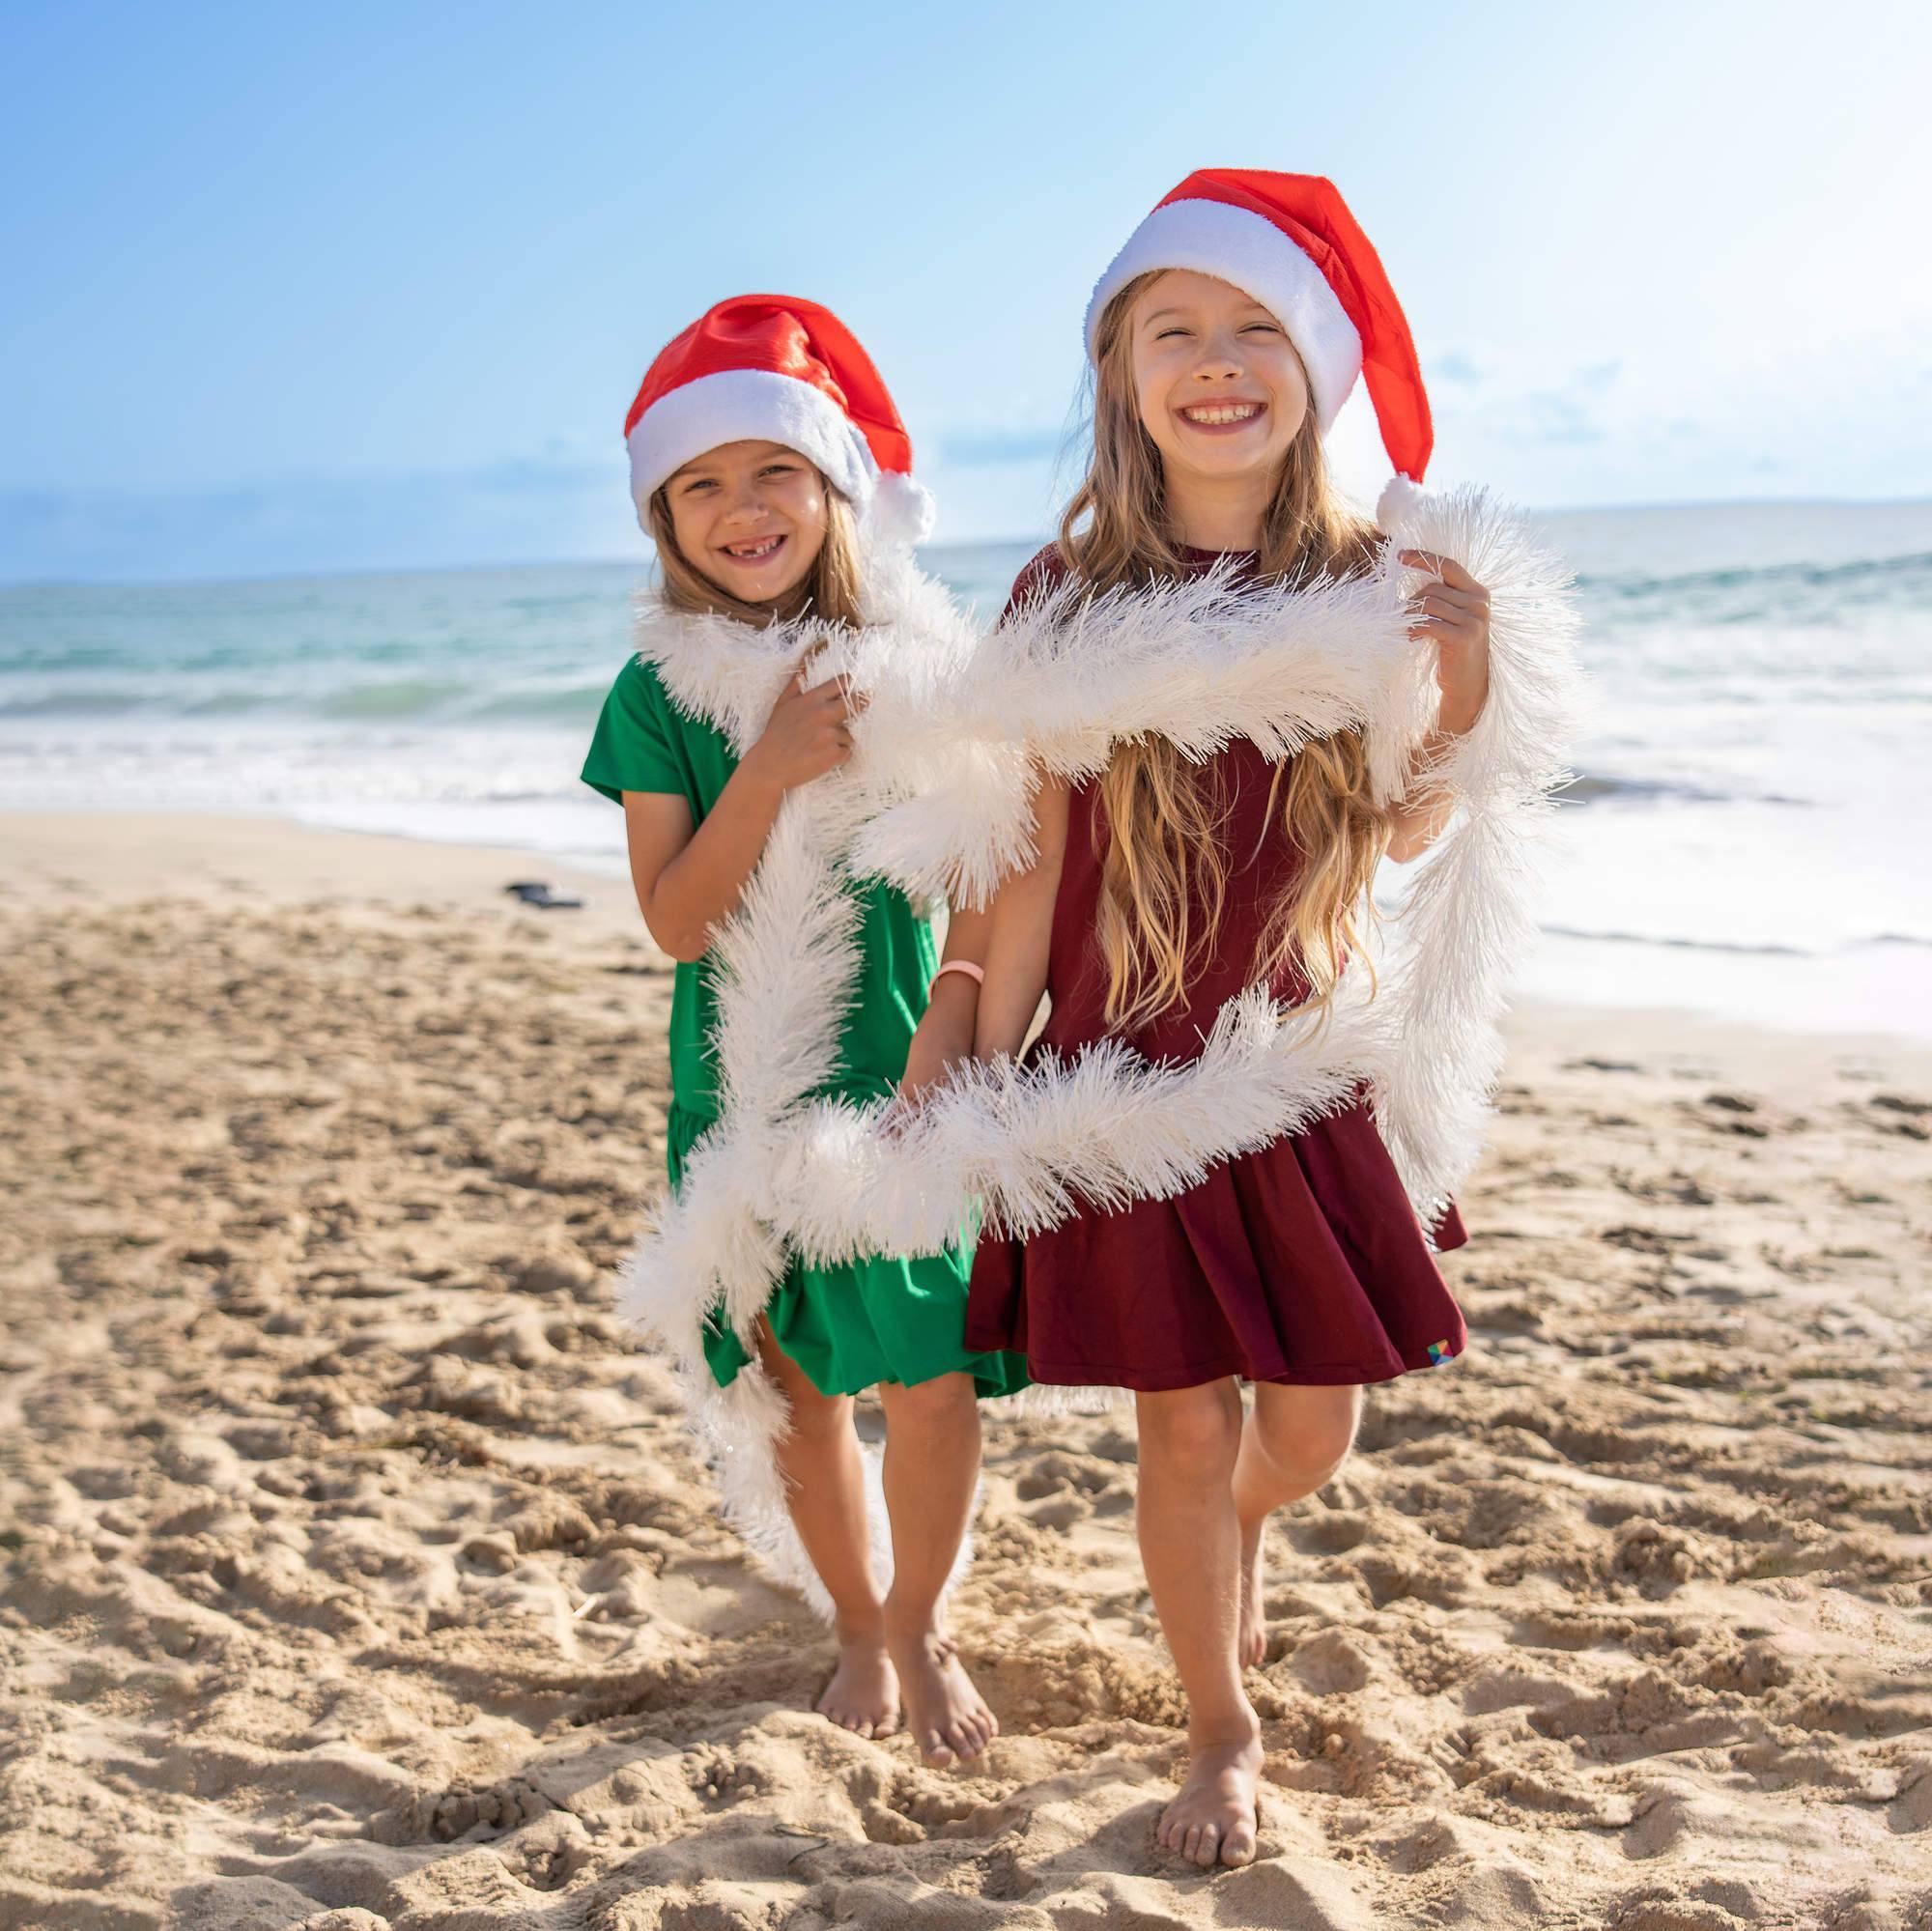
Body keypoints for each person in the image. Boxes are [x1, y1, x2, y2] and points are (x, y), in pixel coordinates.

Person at [961, 172, 1516, 1865]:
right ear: (1122, 373)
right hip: (1122, 1071)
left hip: (1287, 1066)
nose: (1217, 362)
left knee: (1310, 1428)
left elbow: (1409, 820)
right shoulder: (1067, 599)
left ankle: (1239, 1551)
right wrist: (956, 1077)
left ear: (1314, 367)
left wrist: (1471, 671)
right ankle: (1220, 1730)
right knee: (1182, 1424)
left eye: (1256, 328)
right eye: (1172, 331)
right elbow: (1019, 850)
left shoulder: (1366, 581)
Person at [582, 295, 1026, 1769]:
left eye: (771, 470)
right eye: (698, 486)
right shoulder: (659, 694)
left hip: (904, 1054)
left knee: (931, 1368)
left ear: (835, 484)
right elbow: (674, 919)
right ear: (663, 521)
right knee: (788, 1381)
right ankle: (855, 1620)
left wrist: (964, 1027)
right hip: (740, 1080)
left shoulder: (920, 663)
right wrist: (764, 769)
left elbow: (991, 863)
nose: (739, 508)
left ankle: (925, 1622)